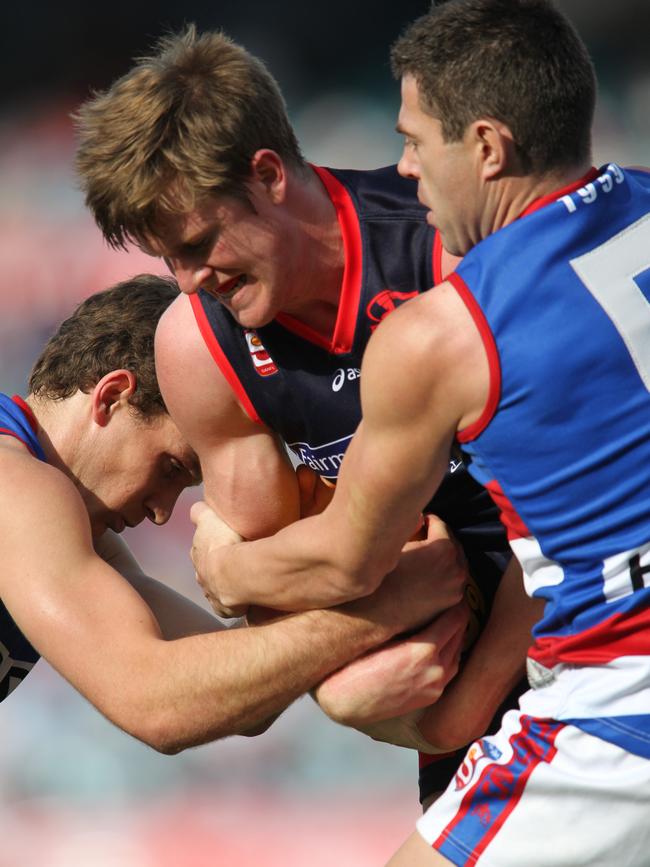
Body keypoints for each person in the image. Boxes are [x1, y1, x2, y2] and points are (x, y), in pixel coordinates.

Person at [182, 0, 650, 863]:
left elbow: (347, 561)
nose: (404, 167)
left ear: (485, 146)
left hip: (617, 705)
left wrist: (226, 564)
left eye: (415, 139)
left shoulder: (447, 332)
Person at [74, 26, 540, 801]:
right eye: (168, 260)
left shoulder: (449, 251)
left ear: (267, 174)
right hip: (455, 682)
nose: (190, 282)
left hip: (585, 638)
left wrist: (231, 568)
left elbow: (577, 519)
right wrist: (348, 667)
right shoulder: (198, 345)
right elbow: (275, 627)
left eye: (198, 242)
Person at [1, 273, 468, 757]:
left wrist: (331, 571)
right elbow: (154, 703)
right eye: (171, 468)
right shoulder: (14, 483)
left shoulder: (70, 530)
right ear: (112, 396)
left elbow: (227, 692)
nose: (162, 513)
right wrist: (383, 610)